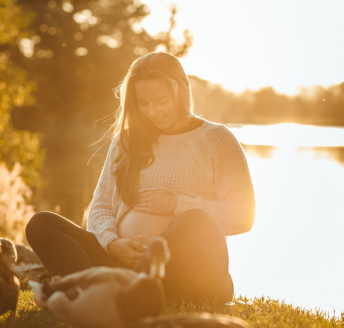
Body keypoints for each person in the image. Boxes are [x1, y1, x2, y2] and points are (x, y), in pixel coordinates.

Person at [25, 51, 255, 304]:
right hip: (122, 264)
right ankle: (113, 292)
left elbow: (243, 216)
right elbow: (100, 207)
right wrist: (112, 243)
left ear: (181, 91)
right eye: (143, 103)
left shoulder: (217, 139)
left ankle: (106, 294)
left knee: (196, 220)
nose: (152, 111)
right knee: (41, 224)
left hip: (187, 273)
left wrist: (177, 204)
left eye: (160, 101)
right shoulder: (126, 141)